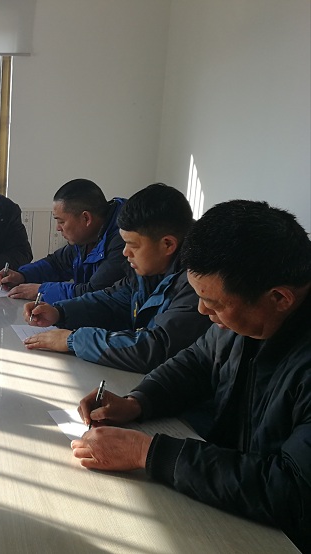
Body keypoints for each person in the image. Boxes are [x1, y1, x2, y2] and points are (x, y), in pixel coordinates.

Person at [73, 200, 311, 551]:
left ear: (279, 298)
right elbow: (198, 362)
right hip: (230, 500)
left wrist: (148, 453)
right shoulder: (250, 314)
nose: (202, 310)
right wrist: (138, 401)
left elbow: (293, 492)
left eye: (213, 303)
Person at [25, 183, 211, 373]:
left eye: (133, 245)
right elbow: (112, 301)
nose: (125, 252)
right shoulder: (148, 269)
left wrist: (73, 340)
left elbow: (156, 348)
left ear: (168, 244)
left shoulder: (199, 284)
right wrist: (60, 312)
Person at [0, 178, 126, 302]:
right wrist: (23, 275)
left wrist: (41, 291)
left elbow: (95, 292)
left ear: (86, 218)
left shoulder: (124, 241)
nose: (58, 228)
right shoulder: (86, 237)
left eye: (61, 222)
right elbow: (56, 264)